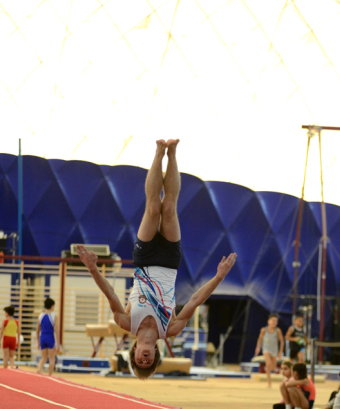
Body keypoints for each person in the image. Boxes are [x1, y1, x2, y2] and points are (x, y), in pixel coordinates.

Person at [78, 139, 237, 379]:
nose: (144, 359)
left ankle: (158, 152)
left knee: (153, 208)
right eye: (148, 362)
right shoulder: (170, 328)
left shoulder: (126, 322)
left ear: (134, 351)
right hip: (170, 262)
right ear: (154, 355)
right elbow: (195, 300)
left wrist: (92, 268)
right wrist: (219, 276)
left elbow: (110, 293)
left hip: (143, 258)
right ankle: (172, 154)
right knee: (170, 207)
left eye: (140, 362)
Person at [255, 313, 284, 387]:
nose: (274, 323)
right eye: (272, 321)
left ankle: (272, 378)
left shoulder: (278, 330)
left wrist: (280, 352)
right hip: (266, 349)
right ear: (268, 321)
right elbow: (260, 339)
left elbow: (282, 341)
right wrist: (258, 347)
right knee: (268, 364)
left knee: (273, 367)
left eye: (275, 321)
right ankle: (269, 382)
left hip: (274, 350)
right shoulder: (264, 330)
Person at [36, 298, 60, 375]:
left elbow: (37, 330)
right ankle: (50, 375)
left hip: (42, 337)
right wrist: (58, 344)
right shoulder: (54, 316)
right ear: (52, 306)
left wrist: (38, 342)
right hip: (50, 337)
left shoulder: (40, 316)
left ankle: (39, 371)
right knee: (51, 358)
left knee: (43, 357)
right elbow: (57, 330)